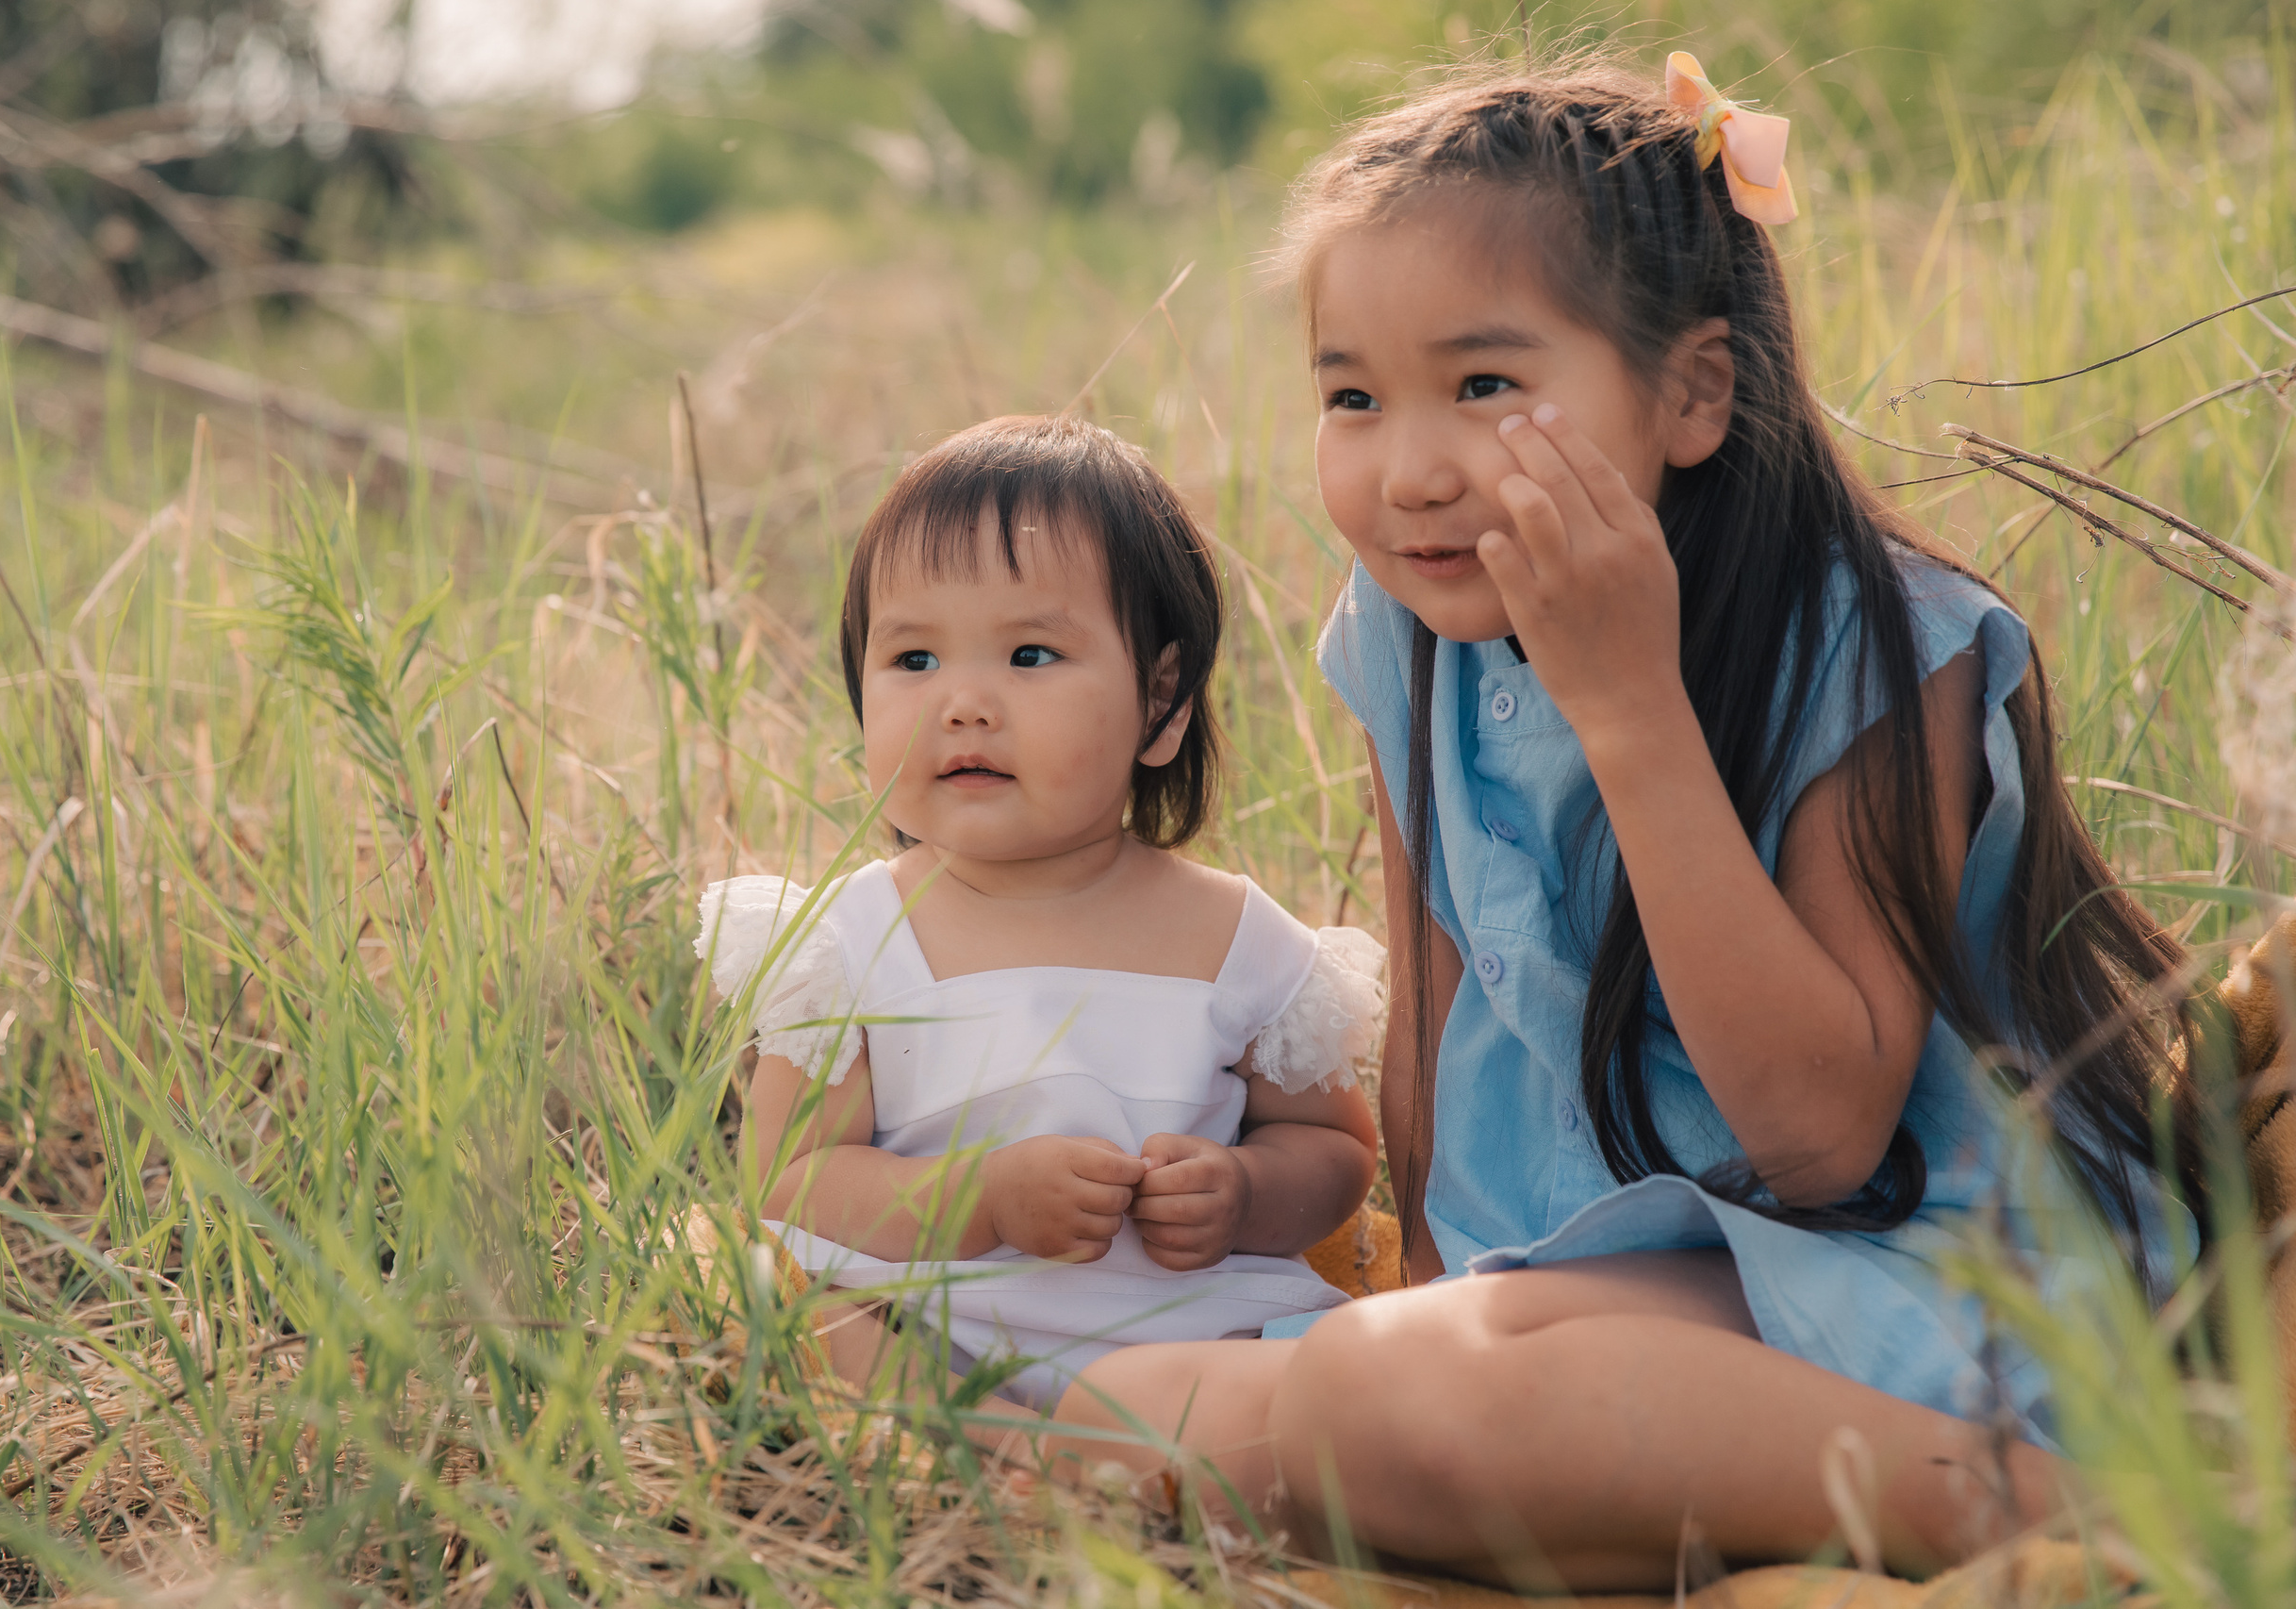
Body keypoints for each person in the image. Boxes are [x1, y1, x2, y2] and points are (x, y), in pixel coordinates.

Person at [1044, 50, 2203, 1588]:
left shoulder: (1874, 640)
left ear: (1692, 393)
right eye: (1351, 398)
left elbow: (1823, 1140)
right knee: (1119, 1409)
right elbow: (1432, 1012)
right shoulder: (1406, 636)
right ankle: (1533, 1443)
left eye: (1483, 386)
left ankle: (2072, 1505)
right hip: (1605, 1272)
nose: (1410, 470)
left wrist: (1634, 712)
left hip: (1905, 1271)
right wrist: (1438, 1294)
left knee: (1375, 1403)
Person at [698, 414, 1385, 1414]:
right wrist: (976, 1199)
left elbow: (1334, 1150)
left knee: (1346, 1373)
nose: (964, 703)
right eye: (914, 661)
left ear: (1161, 702)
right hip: (929, 1329)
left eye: (1028, 654)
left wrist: (1242, 1191)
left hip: (1192, 1338)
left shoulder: (1238, 936)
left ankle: (1148, 1449)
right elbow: (792, 1176)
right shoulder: (849, 940)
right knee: (783, 1295)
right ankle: (995, 1449)